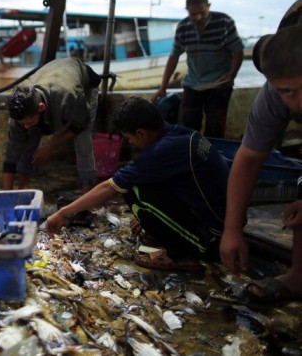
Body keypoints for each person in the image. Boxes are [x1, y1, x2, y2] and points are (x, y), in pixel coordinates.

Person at [46, 96, 229, 271]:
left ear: (141, 132)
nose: (130, 142)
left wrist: (64, 212)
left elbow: (109, 187)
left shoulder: (161, 151)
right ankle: (167, 232)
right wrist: (147, 217)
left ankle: (181, 257)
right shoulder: (180, 134)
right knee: (139, 188)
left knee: (132, 189)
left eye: (129, 137)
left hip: (213, 239)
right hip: (222, 223)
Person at [220, 22, 302, 303]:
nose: (296, 103)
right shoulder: (273, 97)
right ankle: (298, 277)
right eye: (286, 91)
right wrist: (232, 229)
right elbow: (249, 159)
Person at [152, 0, 244, 138]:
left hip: (219, 84)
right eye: (193, 14)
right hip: (193, 84)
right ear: (187, 10)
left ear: (208, 6)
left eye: (202, 12)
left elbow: (238, 51)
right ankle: (192, 157)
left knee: (215, 127)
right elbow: (173, 58)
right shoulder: (183, 27)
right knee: (189, 124)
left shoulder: (225, 22)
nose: (198, 17)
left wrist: (231, 75)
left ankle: (212, 157)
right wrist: (162, 88)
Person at [3, 57, 101, 192]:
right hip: (51, 73)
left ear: (41, 108)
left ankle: (87, 188)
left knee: (82, 139)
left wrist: (50, 147)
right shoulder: (20, 113)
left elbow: (81, 124)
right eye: (22, 124)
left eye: (29, 122)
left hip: (83, 80)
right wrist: (6, 194)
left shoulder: (69, 97)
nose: (25, 126)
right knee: (28, 138)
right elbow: (11, 155)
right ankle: (22, 188)